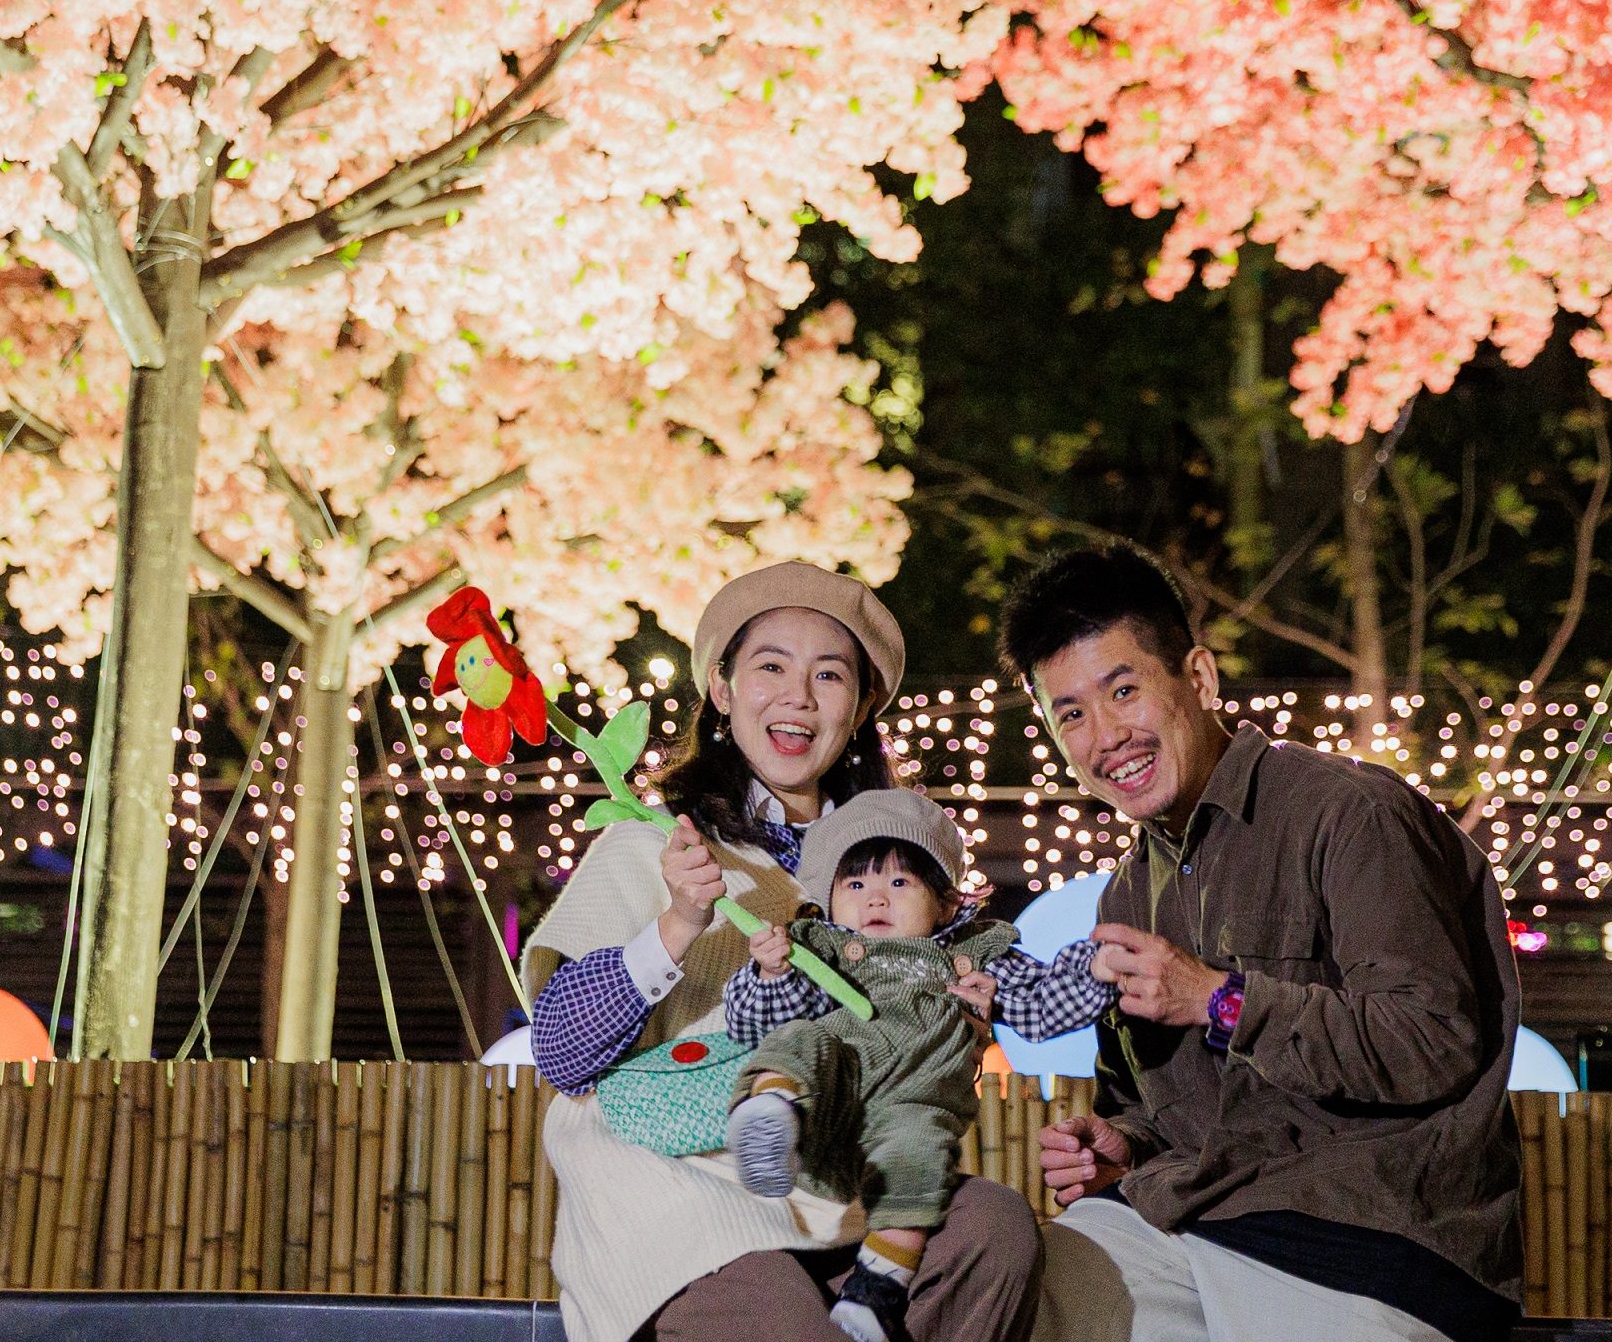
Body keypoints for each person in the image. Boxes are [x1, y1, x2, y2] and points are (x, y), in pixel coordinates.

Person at [1004, 544, 1525, 1342]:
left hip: (1371, 1232)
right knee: (1026, 1293)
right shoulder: (1126, 892)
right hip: (1193, 1218)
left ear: (1201, 680)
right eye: (1070, 713)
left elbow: (1433, 1039)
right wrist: (1122, 1147)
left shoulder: (1349, 814)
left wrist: (1220, 1000)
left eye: (1124, 691)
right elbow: (1145, 1108)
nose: (1105, 735)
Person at [520, 561, 1044, 1342]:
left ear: (860, 708)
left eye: (829, 675)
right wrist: (678, 923)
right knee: (793, 1328)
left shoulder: (888, 876)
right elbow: (563, 1051)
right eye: (771, 666)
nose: (798, 695)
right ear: (723, 692)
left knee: (993, 1229)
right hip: (680, 1193)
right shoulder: (651, 846)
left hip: (837, 1184)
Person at [717, 791, 1115, 1341]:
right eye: (855, 885)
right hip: (828, 1105)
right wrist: (771, 974)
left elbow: (1046, 1003)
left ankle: (875, 1292)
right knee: (800, 1039)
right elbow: (753, 1023)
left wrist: (1095, 966)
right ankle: (771, 1112)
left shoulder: (975, 956)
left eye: (900, 883)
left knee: (920, 1153)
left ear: (949, 903)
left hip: (909, 1106)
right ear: (829, 900)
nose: (875, 898)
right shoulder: (822, 947)